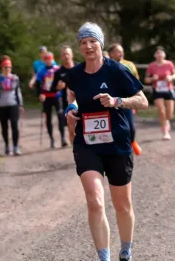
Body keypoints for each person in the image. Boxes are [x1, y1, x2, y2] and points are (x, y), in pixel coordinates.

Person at [64, 23, 148, 261]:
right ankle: (104, 257)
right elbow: (73, 96)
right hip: (87, 143)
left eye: (92, 41)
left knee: (122, 205)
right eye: (83, 42)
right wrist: (71, 109)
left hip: (118, 144)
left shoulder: (116, 70)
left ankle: (125, 251)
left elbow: (142, 101)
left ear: (100, 44)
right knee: (95, 201)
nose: (88, 46)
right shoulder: (76, 74)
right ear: (79, 47)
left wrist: (117, 101)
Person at [108, 44, 143, 154]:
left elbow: (136, 81)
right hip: (111, 101)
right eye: (118, 51)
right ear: (111, 53)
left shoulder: (129, 64)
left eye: (122, 51)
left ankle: (132, 142)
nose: (121, 53)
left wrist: (135, 100)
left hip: (127, 101)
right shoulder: (106, 65)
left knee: (131, 127)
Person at [0, 55, 24, 156]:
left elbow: (18, 92)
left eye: (9, 67)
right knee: (4, 127)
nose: (7, 69)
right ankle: (6, 146)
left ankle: (15, 147)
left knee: (15, 126)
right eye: (6, 67)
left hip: (13, 105)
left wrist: (21, 104)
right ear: (2, 68)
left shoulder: (15, 78)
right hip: (2, 106)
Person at [36, 51, 68, 148]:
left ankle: (63, 138)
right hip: (47, 97)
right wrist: (40, 94)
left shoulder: (57, 69)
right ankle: (52, 140)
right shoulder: (41, 71)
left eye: (50, 59)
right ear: (44, 61)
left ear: (53, 59)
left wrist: (63, 85)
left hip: (57, 96)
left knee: (60, 116)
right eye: (47, 59)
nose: (49, 61)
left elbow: (64, 81)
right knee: (48, 119)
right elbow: (38, 85)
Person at [144, 46, 175, 140]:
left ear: (164, 55)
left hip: (168, 90)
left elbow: (174, 74)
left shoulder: (169, 64)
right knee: (161, 111)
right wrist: (153, 78)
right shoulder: (151, 66)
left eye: (161, 53)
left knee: (169, 113)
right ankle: (165, 132)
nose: (159, 54)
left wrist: (171, 77)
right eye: (157, 53)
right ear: (155, 55)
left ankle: (166, 121)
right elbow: (146, 80)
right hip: (157, 91)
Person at [51, 45, 78, 143]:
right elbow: (52, 89)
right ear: (61, 57)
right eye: (64, 54)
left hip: (82, 101)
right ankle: (76, 151)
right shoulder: (58, 72)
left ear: (72, 55)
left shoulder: (80, 67)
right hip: (67, 104)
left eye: (68, 54)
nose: (66, 56)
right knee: (72, 131)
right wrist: (58, 88)